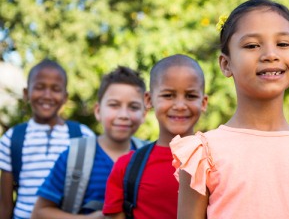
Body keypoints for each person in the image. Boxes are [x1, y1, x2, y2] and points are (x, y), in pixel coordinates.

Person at [170, 0, 289, 219]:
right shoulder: (203, 155)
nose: (270, 54)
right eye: (252, 45)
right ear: (225, 64)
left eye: (283, 44)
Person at [31, 66, 148, 218]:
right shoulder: (74, 156)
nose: (123, 115)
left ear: (144, 114)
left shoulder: (149, 157)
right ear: (98, 111)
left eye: (133, 107)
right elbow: (39, 213)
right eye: (114, 105)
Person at [103, 54, 208, 219]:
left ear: (203, 102)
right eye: (168, 95)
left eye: (190, 96)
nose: (180, 105)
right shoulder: (126, 167)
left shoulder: (217, 161)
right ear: (149, 99)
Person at [0, 59, 95, 219]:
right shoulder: (12, 139)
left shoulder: (83, 136)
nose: (47, 95)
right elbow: (5, 204)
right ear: (26, 93)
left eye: (56, 89)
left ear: (65, 97)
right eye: (39, 87)